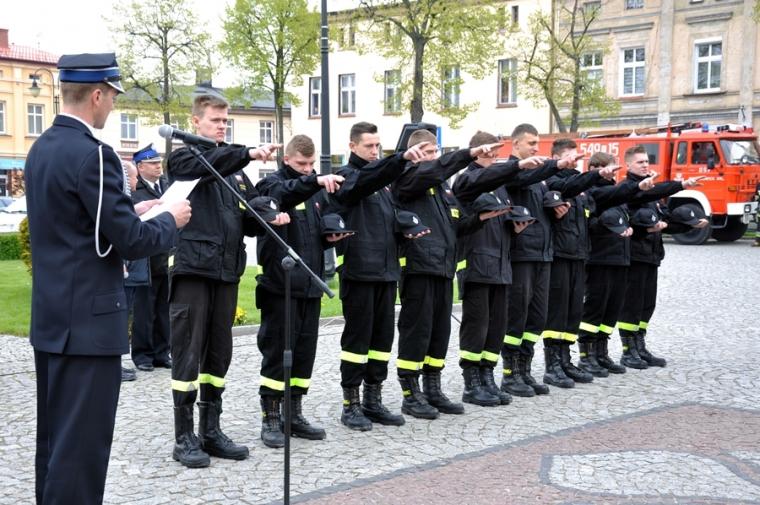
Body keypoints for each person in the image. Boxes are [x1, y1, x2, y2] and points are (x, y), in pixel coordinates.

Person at [25, 53, 191, 505]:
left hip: (53, 319)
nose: (114, 105)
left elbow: (79, 228)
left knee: (55, 444)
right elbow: (131, 241)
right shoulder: (94, 154)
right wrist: (170, 219)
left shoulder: (41, 149)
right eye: (113, 96)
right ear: (97, 95)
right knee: (82, 450)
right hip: (89, 324)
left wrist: (135, 210)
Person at [166, 91, 286, 468]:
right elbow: (206, 164)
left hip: (226, 272)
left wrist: (267, 216)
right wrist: (247, 153)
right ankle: (184, 436)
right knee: (187, 354)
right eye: (215, 120)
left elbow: (247, 215)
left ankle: (211, 429)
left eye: (225, 121)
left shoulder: (232, 169)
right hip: (193, 270)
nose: (221, 126)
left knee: (219, 353)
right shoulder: (184, 157)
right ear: (195, 122)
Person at [392, 128, 503, 419]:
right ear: (415, 154)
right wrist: (468, 155)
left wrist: (480, 219)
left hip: (443, 268)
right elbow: (434, 171)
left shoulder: (442, 190)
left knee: (439, 333)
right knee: (417, 332)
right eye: (427, 152)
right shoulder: (409, 179)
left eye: (435, 151)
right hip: (418, 268)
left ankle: (433, 388)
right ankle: (410, 394)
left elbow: (455, 228)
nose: (433, 157)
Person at [329, 122, 430, 431]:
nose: (374, 151)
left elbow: (386, 220)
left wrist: (404, 231)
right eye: (369, 146)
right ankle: (351, 404)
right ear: (352, 146)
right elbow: (366, 181)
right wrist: (399, 159)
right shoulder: (347, 177)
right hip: (360, 272)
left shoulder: (384, 186)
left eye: (377, 146)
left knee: (382, 341)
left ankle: (373, 400)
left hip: (386, 272)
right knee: (357, 341)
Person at [255, 134, 348, 447]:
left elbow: (317, 227)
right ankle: (271, 417)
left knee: (304, 354)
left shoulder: (315, 191)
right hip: (280, 287)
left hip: (310, 285)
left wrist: (329, 235)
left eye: (311, 165)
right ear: (286, 160)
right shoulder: (272, 185)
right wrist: (314, 181)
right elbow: (284, 194)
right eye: (301, 164)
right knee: (277, 353)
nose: (308, 170)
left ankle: (293, 413)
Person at [452, 130, 545, 407]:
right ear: (478, 151)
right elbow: (470, 213)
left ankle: (487, 377)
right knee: (477, 326)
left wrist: (514, 229)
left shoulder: (500, 186)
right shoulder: (467, 179)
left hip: (502, 265)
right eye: (490, 151)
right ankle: (472, 383)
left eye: (495, 152)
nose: (494, 156)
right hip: (477, 265)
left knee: (496, 327)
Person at [499, 124, 579, 398]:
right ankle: (510, 374)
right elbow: (520, 181)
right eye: (531, 143)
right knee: (517, 317)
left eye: (537, 143)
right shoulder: (512, 172)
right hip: (522, 255)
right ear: (515, 144)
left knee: (536, 318)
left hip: (543, 255)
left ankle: (525, 370)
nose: (536, 147)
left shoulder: (537, 178)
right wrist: (555, 165)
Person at [617, 145, 707, 368]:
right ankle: (628, 351)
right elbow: (630, 220)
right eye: (640, 162)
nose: (645, 165)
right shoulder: (628, 190)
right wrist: (680, 185)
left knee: (647, 305)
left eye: (647, 161)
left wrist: (690, 225)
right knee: (632, 304)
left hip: (652, 255)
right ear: (628, 165)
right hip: (635, 255)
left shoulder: (652, 195)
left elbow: (665, 220)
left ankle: (640, 346)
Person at [130, 144, 172, 372]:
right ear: (140, 167)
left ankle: (162, 353)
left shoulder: (167, 187)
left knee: (164, 310)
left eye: (159, 162)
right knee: (144, 311)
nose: (158, 166)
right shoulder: (135, 191)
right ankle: (142, 354)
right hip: (146, 258)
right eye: (153, 163)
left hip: (166, 256)